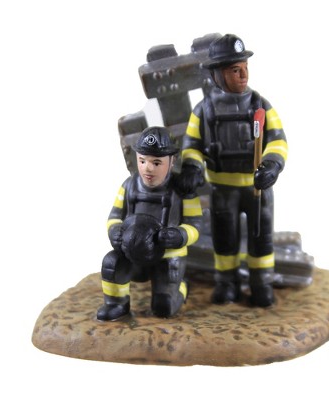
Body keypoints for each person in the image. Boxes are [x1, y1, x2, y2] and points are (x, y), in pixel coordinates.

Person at [179, 34, 288, 307]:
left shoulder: (261, 105)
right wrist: (192, 167)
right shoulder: (203, 110)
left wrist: (272, 165)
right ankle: (227, 283)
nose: (243, 75)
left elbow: (278, 140)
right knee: (224, 240)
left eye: (245, 68)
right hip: (222, 190)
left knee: (261, 240)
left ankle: (261, 284)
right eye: (235, 70)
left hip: (257, 190)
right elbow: (191, 145)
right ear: (217, 74)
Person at [97, 126, 203, 320]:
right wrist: (115, 231)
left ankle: (181, 287)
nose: (148, 168)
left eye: (156, 162)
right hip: (132, 252)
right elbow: (114, 216)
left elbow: (195, 225)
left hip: (167, 257)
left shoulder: (183, 191)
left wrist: (179, 235)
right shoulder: (128, 186)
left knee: (163, 308)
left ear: (172, 161)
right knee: (112, 262)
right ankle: (116, 304)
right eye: (142, 160)